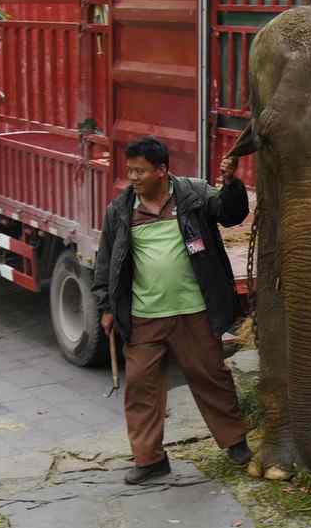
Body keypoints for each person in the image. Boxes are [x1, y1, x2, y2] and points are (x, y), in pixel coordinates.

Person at [93, 136, 252, 484]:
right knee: (140, 387)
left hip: (193, 310)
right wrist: (105, 307)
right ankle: (149, 459)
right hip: (145, 314)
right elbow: (106, 260)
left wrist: (232, 183)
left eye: (141, 171)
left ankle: (235, 441)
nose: (133, 177)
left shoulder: (193, 195)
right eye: (130, 170)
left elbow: (231, 214)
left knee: (210, 376)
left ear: (162, 170)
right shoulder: (121, 209)